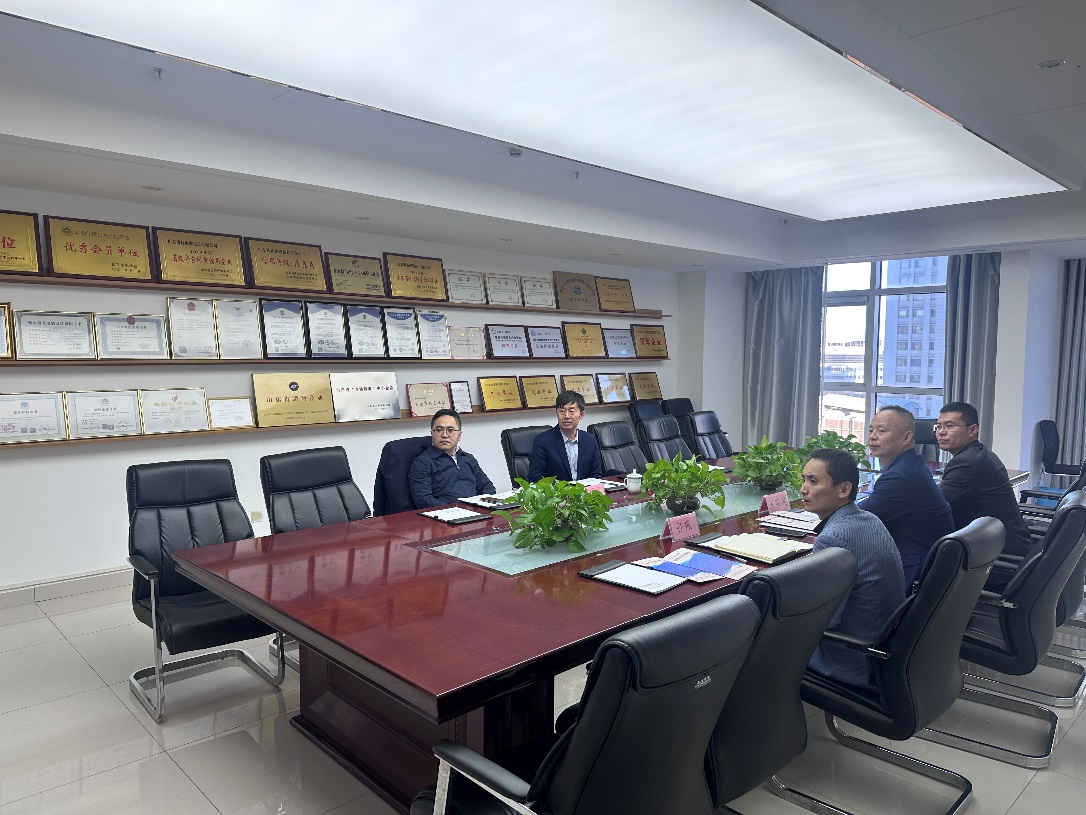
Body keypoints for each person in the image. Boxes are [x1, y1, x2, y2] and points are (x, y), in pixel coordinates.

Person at [801, 448, 905, 689]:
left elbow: (824, 620)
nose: (803, 489)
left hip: (851, 657)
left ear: (844, 489)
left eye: (813, 481)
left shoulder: (833, 538)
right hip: (884, 648)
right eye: (804, 479)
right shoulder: (869, 518)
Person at [859, 405, 955, 587]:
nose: (872, 436)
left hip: (911, 573)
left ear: (906, 438)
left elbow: (855, 520)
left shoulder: (901, 476)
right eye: (871, 430)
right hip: (926, 564)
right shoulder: (912, 465)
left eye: (881, 431)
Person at [935, 401, 1032, 557]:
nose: (941, 432)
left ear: (973, 430)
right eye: (939, 426)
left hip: (999, 555)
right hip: (1001, 544)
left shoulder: (968, 462)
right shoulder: (978, 453)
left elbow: (935, 506)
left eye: (949, 426)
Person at [409, 408, 496, 508]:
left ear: (459, 435)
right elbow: (423, 500)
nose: (444, 435)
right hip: (446, 514)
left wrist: (480, 505)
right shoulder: (422, 462)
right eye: (439, 430)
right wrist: (456, 510)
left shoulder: (468, 458)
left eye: (450, 430)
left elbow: (487, 486)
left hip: (477, 511)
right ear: (432, 434)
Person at [526, 390, 603, 482]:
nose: (566, 416)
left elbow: (596, 474)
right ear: (557, 413)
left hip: (585, 490)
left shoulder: (590, 440)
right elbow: (535, 477)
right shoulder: (543, 441)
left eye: (571, 411)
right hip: (556, 491)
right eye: (562, 411)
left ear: (581, 415)